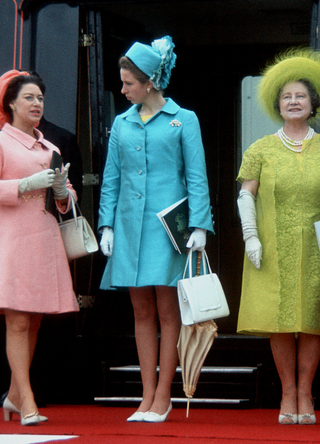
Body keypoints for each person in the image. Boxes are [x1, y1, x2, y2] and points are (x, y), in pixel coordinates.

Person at [98, 36, 213, 423]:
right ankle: (145, 396)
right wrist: (106, 224)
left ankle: (164, 395)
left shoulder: (185, 118)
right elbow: (111, 178)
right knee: (140, 311)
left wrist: (200, 224)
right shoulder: (121, 122)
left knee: (168, 311)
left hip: (169, 230)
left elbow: (197, 177)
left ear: (149, 81)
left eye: (128, 82)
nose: (123, 88)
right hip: (130, 228)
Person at [236, 48, 320, 425]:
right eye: (286, 96)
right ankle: (288, 392)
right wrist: (251, 237)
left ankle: (307, 391)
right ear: (277, 104)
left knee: (314, 319)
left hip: (317, 247)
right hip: (273, 245)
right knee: (281, 320)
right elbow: (245, 195)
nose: (293, 101)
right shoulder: (261, 148)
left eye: (300, 95)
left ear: (312, 102)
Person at [0, 70, 79, 425]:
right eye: (29, 98)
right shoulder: (1, 142)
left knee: (33, 322)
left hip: (43, 238)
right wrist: (23, 185)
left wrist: (63, 192)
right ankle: (27, 400)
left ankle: (14, 397)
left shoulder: (52, 148)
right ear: (11, 103)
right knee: (17, 321)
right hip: (13, 239)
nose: (37, 104)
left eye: (40, 99)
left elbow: (67, 200)